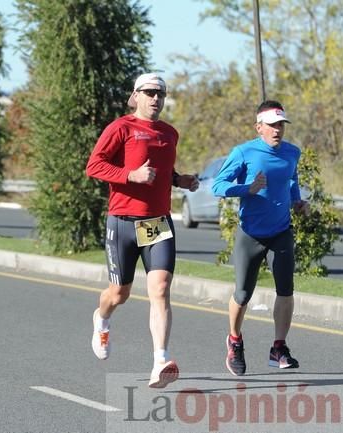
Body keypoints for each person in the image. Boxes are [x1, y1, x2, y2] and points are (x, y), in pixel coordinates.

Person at [86, 73, 199, 388]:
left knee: (160, 290)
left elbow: (163, 171)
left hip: (156, 222)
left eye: (160, 94)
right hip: (122, 221)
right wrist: (130, 175)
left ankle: (160, 361)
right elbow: (94, 165)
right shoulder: (120, 128)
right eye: (149, 93)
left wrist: (180, 180)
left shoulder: (169, 133)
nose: (155, 99)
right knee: (118, 293)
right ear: (136, 96)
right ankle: (102, 319)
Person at [212, 100, 310, 376]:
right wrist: (248, 188)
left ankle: (279, 347)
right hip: (250, 234)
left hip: (281, 232)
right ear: (259, 127)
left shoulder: (292, 153)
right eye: (272, 125)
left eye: (281, 125)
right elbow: (218, 186)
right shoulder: (243, 152)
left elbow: (291, 181)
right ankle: (234, 340)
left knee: (286, 290)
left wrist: (298, 202)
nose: (277, 130)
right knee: (242, 294)